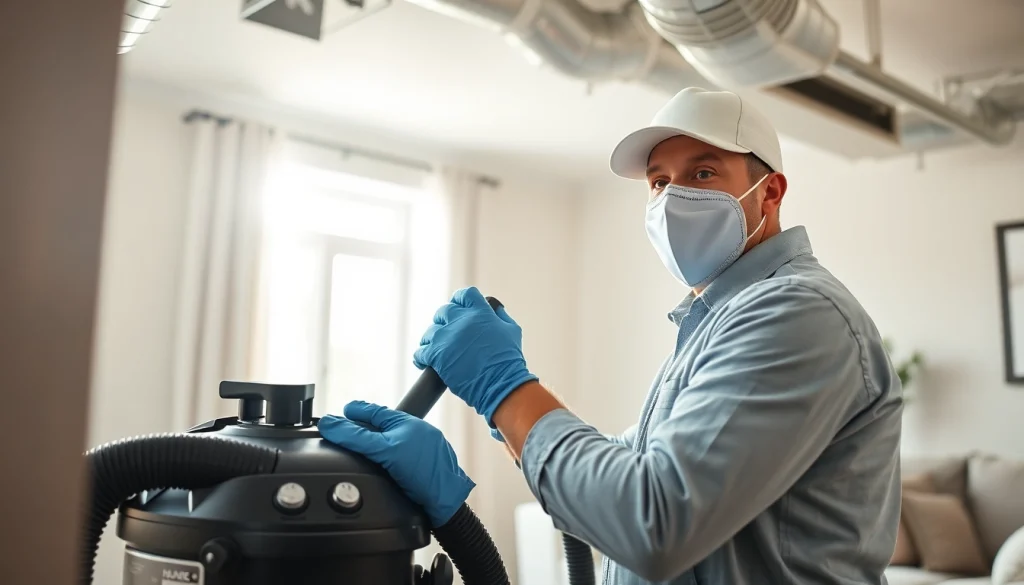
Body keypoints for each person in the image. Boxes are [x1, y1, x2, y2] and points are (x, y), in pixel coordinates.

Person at [319, 87, 904, 584]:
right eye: (658, 182)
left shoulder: (794, 312)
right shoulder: (718, 321)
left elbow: (654, 519)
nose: (673, 198)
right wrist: (494, 437)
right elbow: (629, 468)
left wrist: (506, 389)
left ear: (770, 193)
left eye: (702, 173)